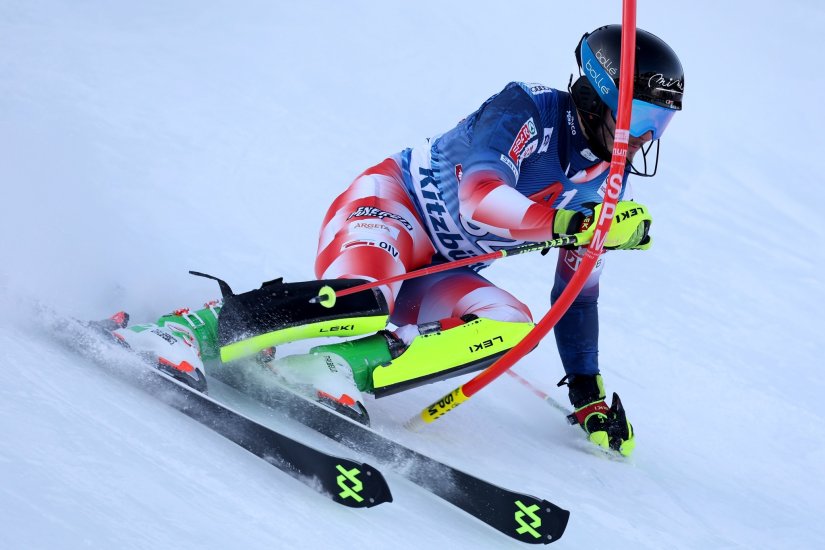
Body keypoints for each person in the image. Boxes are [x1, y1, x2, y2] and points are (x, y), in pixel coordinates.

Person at [104, 24, 684, 457]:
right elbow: (481, 195)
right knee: (364, 298)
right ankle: (182, 329)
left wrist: (587, 392)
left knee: (510, 324)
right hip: (390, 212)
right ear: (598, 94)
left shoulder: (607, 176)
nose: (642, 141)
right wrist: (570, 226)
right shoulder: (526, 109)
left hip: (438, 271)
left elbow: (576, 293)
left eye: (658, 126)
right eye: (640, 117)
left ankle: (330, 367)